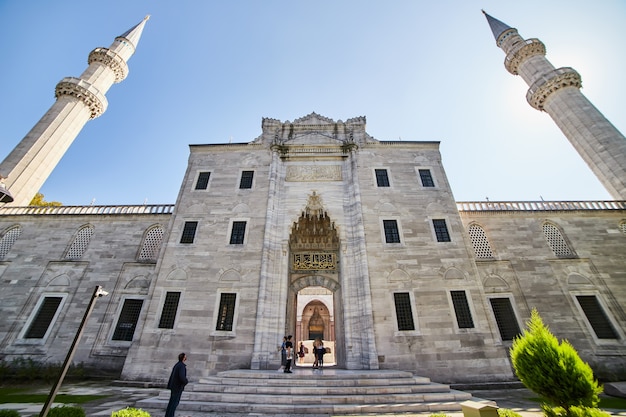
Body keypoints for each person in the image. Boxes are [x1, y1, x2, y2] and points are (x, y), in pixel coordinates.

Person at [165, 352, 188, 417]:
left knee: (171, 402)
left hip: (174, 386)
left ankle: (168, 415)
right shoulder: (181, 366)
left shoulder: (177, 365)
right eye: (185, 357)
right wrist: (186, 381)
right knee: (174, 403)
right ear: (184, 358)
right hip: (177, 387)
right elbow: (182, 377)